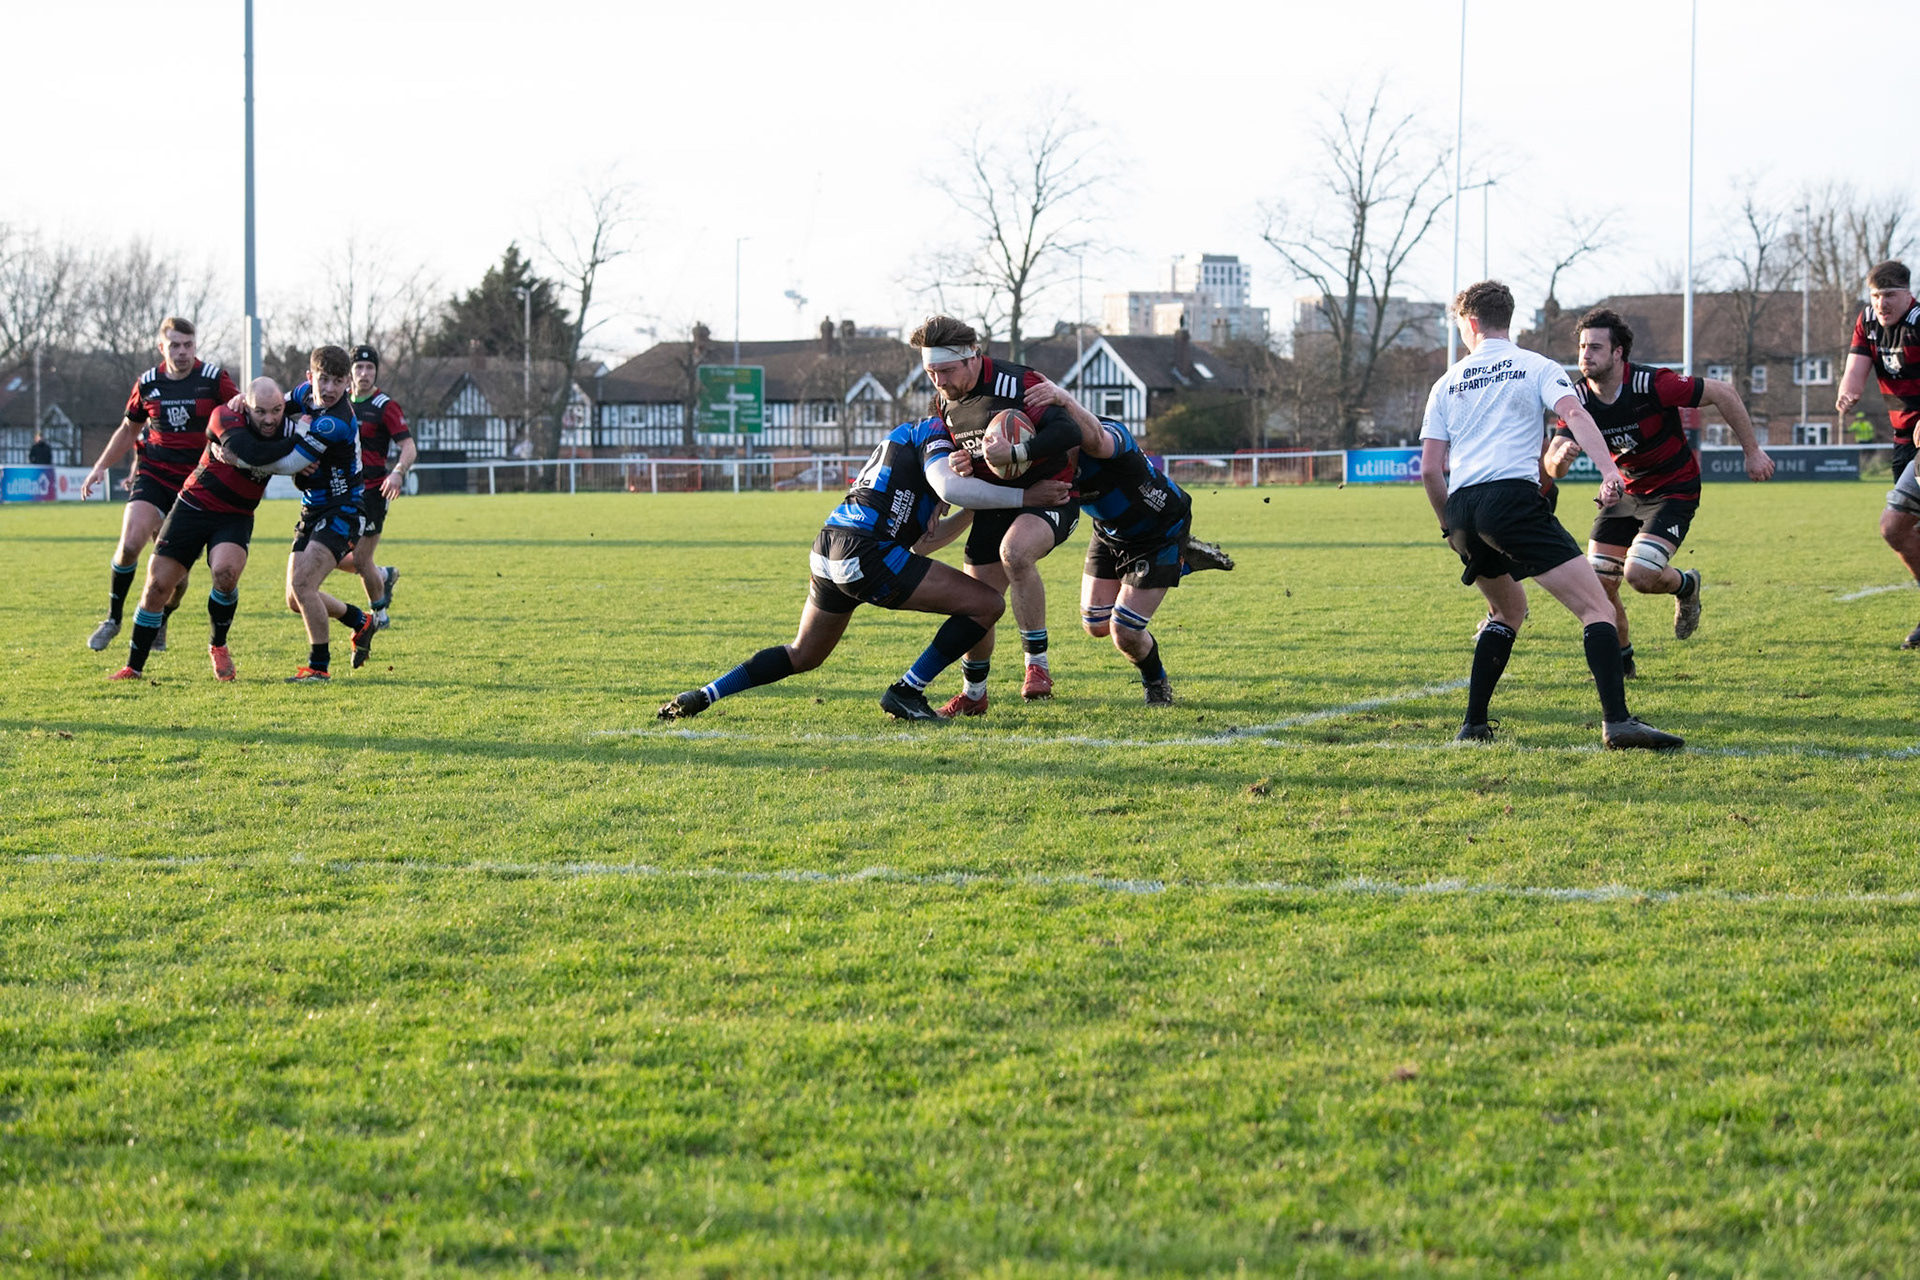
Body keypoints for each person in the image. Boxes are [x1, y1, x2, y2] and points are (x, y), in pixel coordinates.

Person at [657, 416, 1072, 723]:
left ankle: (704, 695)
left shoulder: (907, 448)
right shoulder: (934, 433)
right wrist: (1019, 496)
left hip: (829, 546)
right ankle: (907, 691)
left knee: (804, 654)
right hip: (867, 550)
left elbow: (924, 542)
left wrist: (971, 509)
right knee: (986, 604)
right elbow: (946, 485)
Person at [1420, 281, 1682, 750]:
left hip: (1461, 509)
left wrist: (1449, 528)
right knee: (1598, 608)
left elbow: (1429, 469)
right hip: (1510, 502)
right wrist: (1609, 470)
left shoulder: (1446, 383)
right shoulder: (1535, 366)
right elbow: (1576, 416)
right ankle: (1618, 722)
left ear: (1471, 323)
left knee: (1507, 611)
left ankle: (1473, 726)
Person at [1543, 307, 1773, 674]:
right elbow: (1552, 465)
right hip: (1625, 493)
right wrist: (1560, 458)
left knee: (1639, 575)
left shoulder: (1651, 384)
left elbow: (1723, 392)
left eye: (1596, 347)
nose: (1585, 355)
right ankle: (1623, 664)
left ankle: (1686, 586)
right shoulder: (1577, 399)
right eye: (1583, 347)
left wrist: (1752, 451)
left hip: (1673, 488)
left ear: (1618, 353)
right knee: (1599, 584)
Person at [911, 314, 1084, 703]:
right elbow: (963, 454)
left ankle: (1037, 666)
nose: (939, 381)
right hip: (995, 506)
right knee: (976, 601)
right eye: (931, 372)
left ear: (973, 355)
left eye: (947, 371)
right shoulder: (944, 403)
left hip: (1051, 497)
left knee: (1015, 553)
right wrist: (960, 466)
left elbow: (1068, 431)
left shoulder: (1018, 383)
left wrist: (1019, 452)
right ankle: (974, 694)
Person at [107, 378, 316, 681]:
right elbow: (253, 453)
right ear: (246, 405)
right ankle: (133, 667)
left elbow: (300, 456)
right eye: (260, 412)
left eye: (276, 410)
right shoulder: (225, 415)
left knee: (226, 574)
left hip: (236, 515)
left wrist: (298, 459)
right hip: (193, 507)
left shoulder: (288, 427)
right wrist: (295, 446)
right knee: (157, 586)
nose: (270, 419)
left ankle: (218, 645)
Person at [80, 317, 239, 653]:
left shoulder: (214, 379)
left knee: (176, 580)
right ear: (161, 347)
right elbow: (128, 430)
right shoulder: (148, 383)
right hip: (154, 476)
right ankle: (112, 619)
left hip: (196, 486)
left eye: (188, 345)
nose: (182, 352)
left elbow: (240, 413)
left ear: (195, 346)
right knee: (129, 544)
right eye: (175, 345)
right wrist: (100, 467)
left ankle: (161, 618)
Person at [1065, 408, 1234, 707]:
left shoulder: (1110, 434)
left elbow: (1099, 440)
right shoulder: (1046, 457)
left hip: (1159, 530)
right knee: (1096, 625)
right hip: (1110, 531)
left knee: (1125, 631)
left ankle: (1156, 682)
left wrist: (1057, 395)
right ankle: (1182, 560)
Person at [281, 346, 379, 683]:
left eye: (339, 381)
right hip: (312, 508)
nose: (330, 388)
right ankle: (359, 620)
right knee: (295, 598)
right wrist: (244, 405)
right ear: (310, 377)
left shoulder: (335, 420)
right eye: (324, 379)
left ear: (347, 383)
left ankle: (319, 668)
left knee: (303, 584)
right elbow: (275, 410)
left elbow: (290, 463)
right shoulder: (303, 394)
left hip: (343, 509)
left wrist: (240, 456)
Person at [1837, 260, 1920, 646]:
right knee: (1900, 529)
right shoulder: (1868, 321)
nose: (1881, 303)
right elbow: (1856, 369)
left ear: (1908, 294)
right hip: (1905, 440)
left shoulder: (1918, 322)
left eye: (1889, 295)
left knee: (1894, 523)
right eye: (1875, 295)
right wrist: (1848, 392)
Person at [330, 344, 413, 627]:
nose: (364, 373)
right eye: (359, 367)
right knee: (331, 555)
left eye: (370, 368)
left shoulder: (384, 406)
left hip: (373, 492)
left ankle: (380, 616)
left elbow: (409, 446)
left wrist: (398, 472)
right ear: (350, 372)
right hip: (341, 492)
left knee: (361, 559)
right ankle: (384, 574)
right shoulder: (339, 402)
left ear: (376, 371)